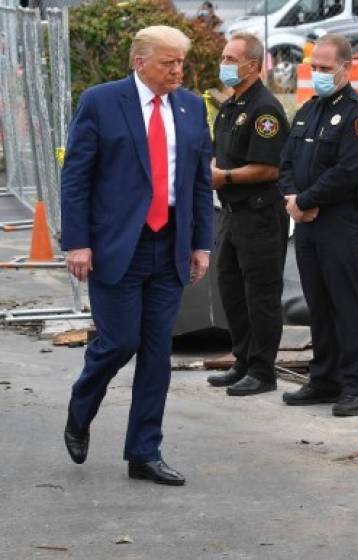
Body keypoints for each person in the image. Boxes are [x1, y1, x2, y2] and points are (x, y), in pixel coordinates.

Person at [61, 26, 213, 485]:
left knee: (156, 353)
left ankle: (144, 452)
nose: (177, 71)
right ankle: (81, 407)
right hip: (115, 245)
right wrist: (77, 242)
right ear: (138, 62)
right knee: (119, 342)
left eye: (180, 62)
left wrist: (201, 243)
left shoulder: (189, 107)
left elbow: (199, 183)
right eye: (168, 62)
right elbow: (77, 178)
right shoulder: (102, 102)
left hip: (169, 244)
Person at [279, 34, 358, 417]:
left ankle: (356, 387)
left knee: (348, 307)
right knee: (318, 304)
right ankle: (324, 379)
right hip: (307, 224)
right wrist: (292, 200)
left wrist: (305, 201)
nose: (318, 74)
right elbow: (286, 161)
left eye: (324, 68)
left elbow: (349, 171)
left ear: (345, 68)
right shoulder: (308, 110)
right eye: (313, 68)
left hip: (343, 223)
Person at [207, 32, 290, 396]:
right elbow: (220, 154)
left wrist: (222, 177)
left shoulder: (264, 110)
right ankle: (242, 359)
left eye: (230, 59)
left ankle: (262, 370)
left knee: (261, 295)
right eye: (223, 58)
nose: (224, 65)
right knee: (231, 288)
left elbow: (269, 168)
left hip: (259, 215)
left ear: (253, 66)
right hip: (231, 213)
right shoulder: (231, 106)